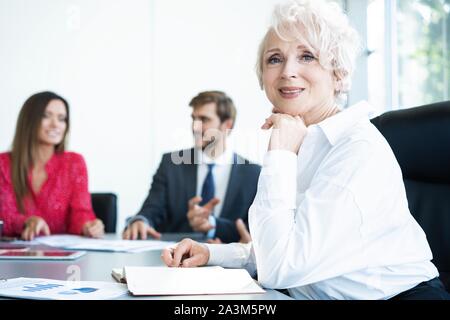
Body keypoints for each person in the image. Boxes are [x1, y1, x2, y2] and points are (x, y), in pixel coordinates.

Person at [161, 0, 450, 300]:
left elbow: (282, 265)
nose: (288, 71)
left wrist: (280, 155)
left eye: (307, 56)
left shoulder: (356, 150)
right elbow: (286, 244)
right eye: (275, 59)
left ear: (337, 73)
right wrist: (212, 253)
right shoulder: (305, 139)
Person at [123, 91, 261, 243]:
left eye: (204, 119)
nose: (195, 127)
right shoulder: (171, 164)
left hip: (230, 262)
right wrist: (140, 221)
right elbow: (152, 209)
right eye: (193, 118)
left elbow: (254, 228)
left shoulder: (253, 174)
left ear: (227, 125)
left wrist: (213, 225)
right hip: (173, 260)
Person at [0, 91, 104, 241]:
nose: (55, 124)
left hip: (62, 258)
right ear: (29, 120)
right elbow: (4, 216)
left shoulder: (74, 163)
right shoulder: (3, 163)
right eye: (46, 116)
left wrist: (88, 225)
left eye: (62, 119)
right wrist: (26, 222)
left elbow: (81, 213)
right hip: (14, 257)